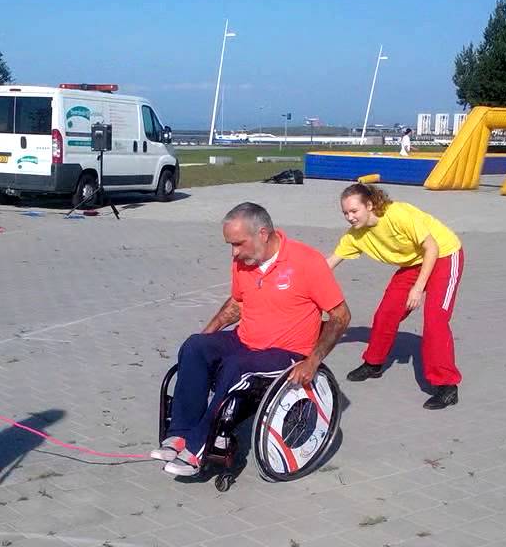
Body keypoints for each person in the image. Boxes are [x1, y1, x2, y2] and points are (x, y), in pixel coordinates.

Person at [153, 202, 350, 476]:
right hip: (244, 339)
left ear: (263, 233)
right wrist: (206, 335)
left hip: (285, 351)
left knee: (237, 366)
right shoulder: (243, 262)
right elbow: (237, 304)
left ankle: (198, 449)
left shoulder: (307, 262)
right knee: (194, 347)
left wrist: (313, 361)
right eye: (230, 245)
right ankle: (181, 434)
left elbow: (340, 316)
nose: (234, 252)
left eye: (238, 244)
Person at [327, 183, 464, 410]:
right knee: (386, 313)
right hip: (414, 262)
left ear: (369, 205)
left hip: (444, 254)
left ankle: (447, 386)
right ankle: (374, 364)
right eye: (345, 213)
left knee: (435, 320)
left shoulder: (398, 214)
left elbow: (432, 248)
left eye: (354, 211)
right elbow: (330, 262)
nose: (350, 217)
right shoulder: (355, 236)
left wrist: (418, 288)